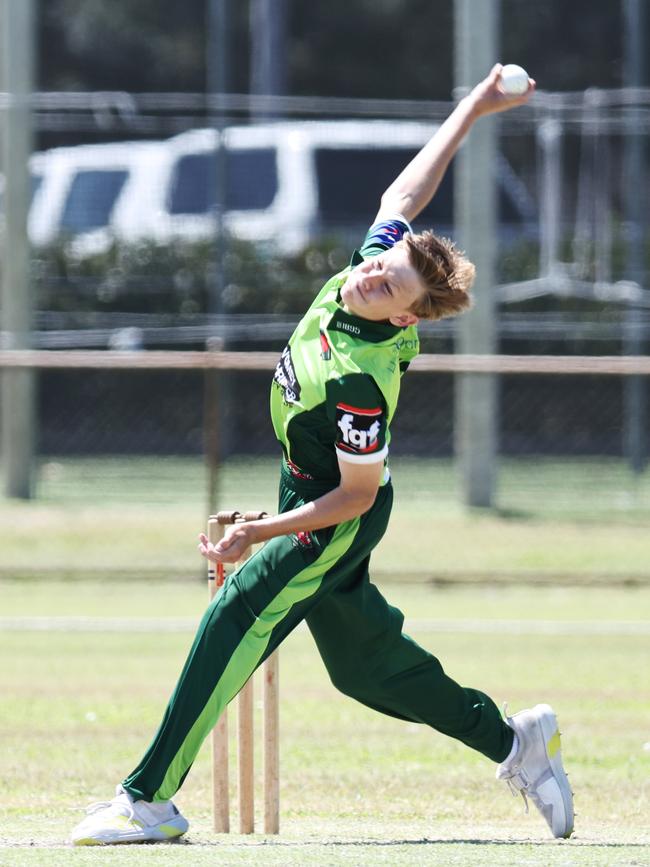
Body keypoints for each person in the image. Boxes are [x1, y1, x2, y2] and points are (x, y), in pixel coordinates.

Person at [70, 63, 574, 846]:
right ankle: (514, 743)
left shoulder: (360, 382)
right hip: (309, 491)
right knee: (365, 667)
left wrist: (261, 533)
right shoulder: (364, 269)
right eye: (378, 264)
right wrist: (475, 106)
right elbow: (404, 197)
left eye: (386, 286)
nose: (370, 277)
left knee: (232, 617)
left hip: (330, 514)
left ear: (407, 315)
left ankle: (148, 798)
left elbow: (355, 498)